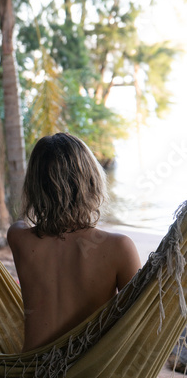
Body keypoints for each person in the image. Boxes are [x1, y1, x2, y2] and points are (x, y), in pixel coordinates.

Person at [7, 133, 141, 353]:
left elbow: (22, 221)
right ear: (92, 181)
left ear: (34, 187)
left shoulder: (18, 237)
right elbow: (139, 321)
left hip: (30, 377)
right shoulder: (119, 248)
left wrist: (44, 197)